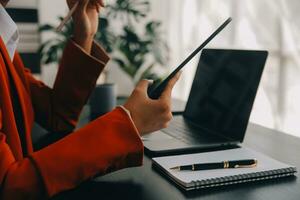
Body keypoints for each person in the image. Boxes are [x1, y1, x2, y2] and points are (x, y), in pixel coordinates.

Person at [0, 0, 181, 199]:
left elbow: (57, 114)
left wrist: (84, 34)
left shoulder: (5, 40)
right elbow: (9, 186)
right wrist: (127, 125)